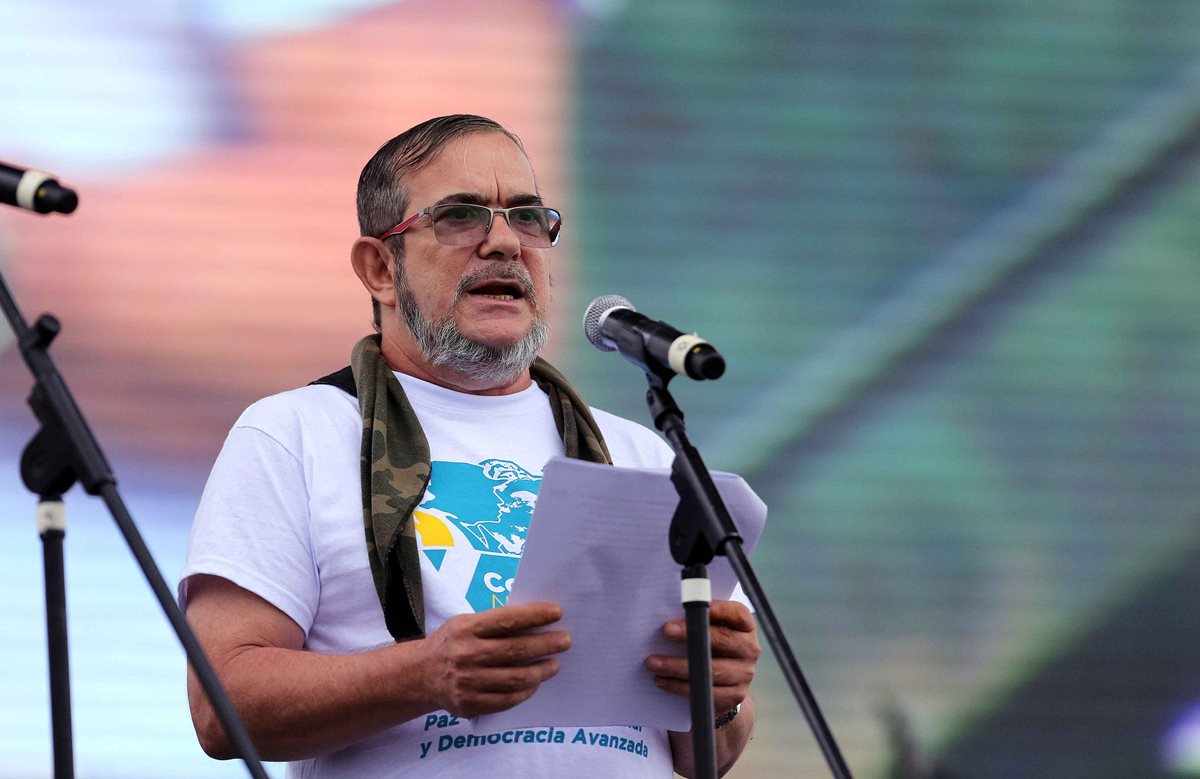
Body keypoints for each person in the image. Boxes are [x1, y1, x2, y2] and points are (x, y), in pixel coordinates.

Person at [180, 114, 759, 778]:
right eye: (460, 217)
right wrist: (423, 675)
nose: (505, 243)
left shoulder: (644, 455)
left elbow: (706, 751)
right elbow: (220, 705)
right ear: (378, 267)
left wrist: (719, 697)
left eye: (528, 216)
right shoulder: (295, 433)